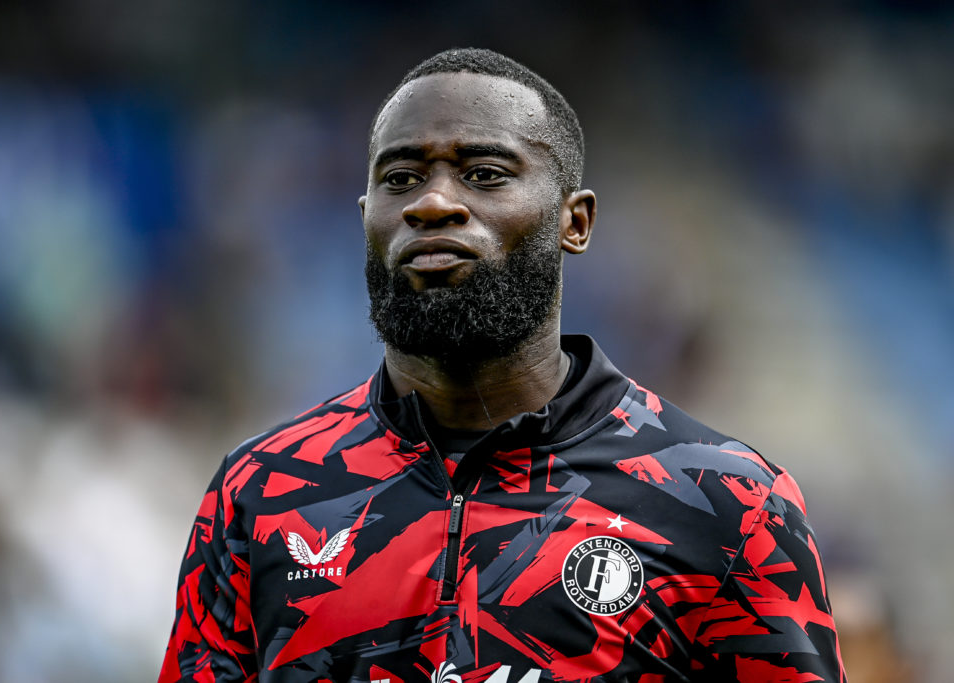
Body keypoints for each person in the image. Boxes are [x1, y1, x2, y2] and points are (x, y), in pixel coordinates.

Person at [159, 48, 847, 683]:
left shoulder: (730, 507)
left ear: (574, 222)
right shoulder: (257, 496)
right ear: (367, 216)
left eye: (484, 173)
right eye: (401, 178)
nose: (432, 203)